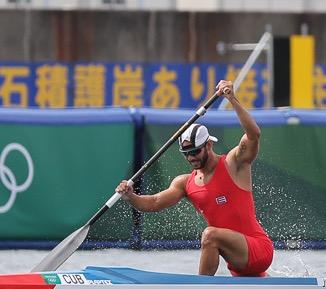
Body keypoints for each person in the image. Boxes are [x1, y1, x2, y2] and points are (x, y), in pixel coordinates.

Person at [115, 80, 273, 277]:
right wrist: (130, 196)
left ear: (208, 145)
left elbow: (253, 135)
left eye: (195, 152)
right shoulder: (185, 183)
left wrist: (231, 98)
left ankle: (200, 288)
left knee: (210, 235)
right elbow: (153, 203)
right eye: (186, 153)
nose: (191, 158)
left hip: (258, 249)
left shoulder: (234, 163)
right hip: (237, 263)